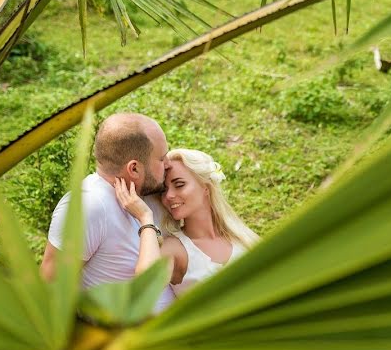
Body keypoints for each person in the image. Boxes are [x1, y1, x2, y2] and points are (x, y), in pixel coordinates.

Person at [40, 112, 175, 312]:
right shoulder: (90, 207)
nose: (168, 164)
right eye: (162, 158)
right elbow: (49, 286)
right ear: (134, 169)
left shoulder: (147, 195)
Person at [114, 148, 259, 295]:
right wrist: (145, 217)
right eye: (164, 190)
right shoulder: (177, 248)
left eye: (179, 184)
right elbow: (143, 285)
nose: (169, 196)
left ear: (206, 187)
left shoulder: (242, 238)